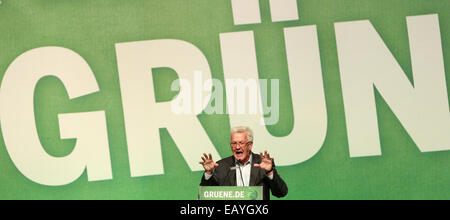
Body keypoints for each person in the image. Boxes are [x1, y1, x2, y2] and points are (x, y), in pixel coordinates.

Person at [199, 126, 288, 200]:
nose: (237, 147)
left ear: (250, 145)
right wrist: (208, 173)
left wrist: (270, 172)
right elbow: (203, 196)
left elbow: (281, 192)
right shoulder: (221, 166)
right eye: (234, 143)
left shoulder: (262, 164)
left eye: (241, 143)